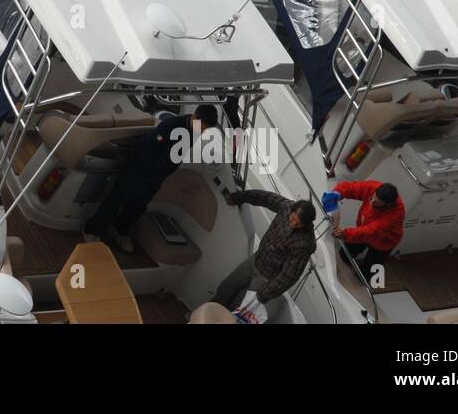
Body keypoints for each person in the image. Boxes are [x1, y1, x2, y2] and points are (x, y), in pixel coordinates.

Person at [82, 104, 220, 254]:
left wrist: (161, 173)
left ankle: (120, 231)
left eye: (205, 129)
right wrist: (145, 170)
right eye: (202, 127)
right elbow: (146, 145)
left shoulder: (195, 130)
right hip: (140, 169)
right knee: (117, 199)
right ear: (194, 116)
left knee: (139, 206)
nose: (202, 131)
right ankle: (91, 230)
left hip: (157, 176)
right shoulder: (171, 126)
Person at [215, 190, 316, 312]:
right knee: (226, 287)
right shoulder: (286, 206)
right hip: (255, 259)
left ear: (306, 224)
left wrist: (264, 294)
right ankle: (205, 315)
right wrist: (237, 197)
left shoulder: (304, 244)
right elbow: (264, 198)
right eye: (292, 218)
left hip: (266, 278)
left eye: (299, 224)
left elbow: (288, 277)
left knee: (241, 308)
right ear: (292, 210)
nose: (293, 224)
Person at [331, 180, 404, 280]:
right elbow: (353, 187)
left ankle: (361, 281)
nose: (372, 201)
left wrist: (345, 234)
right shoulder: (374, 187)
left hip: (383, 242)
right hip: (362, 231)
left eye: (376, 202)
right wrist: (337, 193)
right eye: (373, 196)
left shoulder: (396, 213)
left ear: (388, 205)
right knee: (344, 253)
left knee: (367, 272)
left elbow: (371, 231)